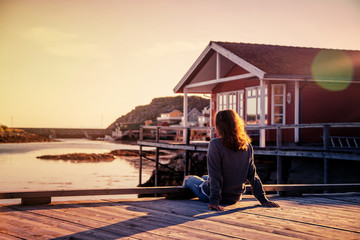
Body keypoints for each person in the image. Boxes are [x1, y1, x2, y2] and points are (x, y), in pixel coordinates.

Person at [184, 109, 280, 211]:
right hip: (235, 198)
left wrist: (214, 201)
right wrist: (263, 199)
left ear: (219, 126)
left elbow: (215, 174)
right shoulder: (247, 146)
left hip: (211, 195)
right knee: (205, 177)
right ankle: (205, 182)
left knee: (189, 179)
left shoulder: (215, 144)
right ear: (236, 123)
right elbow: (252, 176)